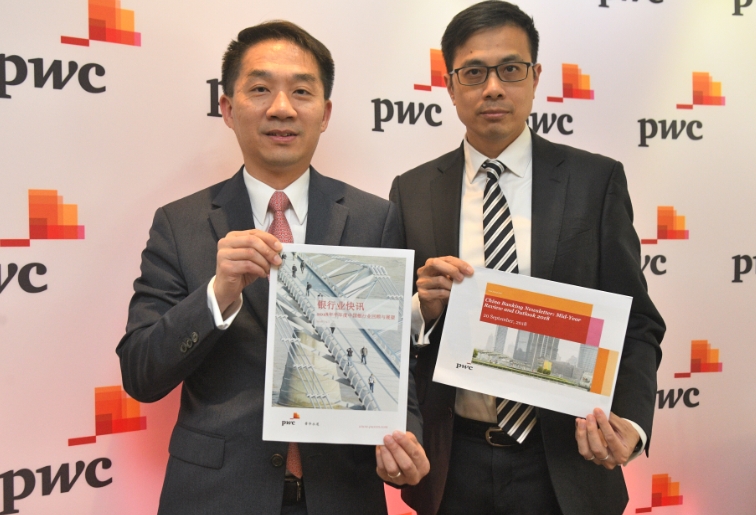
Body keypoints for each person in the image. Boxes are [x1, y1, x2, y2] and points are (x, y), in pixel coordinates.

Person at [117, 21, 428, 515]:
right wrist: (217, 295)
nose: (282, 107)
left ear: (325, 113)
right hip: (215, 496)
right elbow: (140, 373)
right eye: (260, 89)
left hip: (342, 494)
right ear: (227, 108)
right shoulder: (180, 223)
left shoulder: (375, 219)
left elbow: (390, 357)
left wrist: (403, 436)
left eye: (301, 91)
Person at [389, 2, 665, 515]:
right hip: (453, 465)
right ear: (450, 86)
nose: (493, 87)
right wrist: (421, 309)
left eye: (511, 69)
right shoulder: (413, 191)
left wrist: (630, 423)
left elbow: (638, 322)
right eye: (474, 72)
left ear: (536, 78)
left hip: (568, 462)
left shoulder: (595, 182)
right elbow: (386, 332)